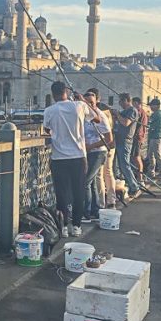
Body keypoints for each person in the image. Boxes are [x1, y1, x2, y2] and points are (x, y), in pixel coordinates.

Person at [41, 82, 89, 236]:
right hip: (78, 156)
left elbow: (47, 130)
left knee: (61, 193)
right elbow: (96, 119)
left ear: (53, 94)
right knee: (78, 192)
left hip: (59, 157)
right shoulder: (79, 106)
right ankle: (76, 226)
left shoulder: (49, 110)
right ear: (66, 92)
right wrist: (82, 100)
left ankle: (64, 227)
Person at [80, 90, 112, 222]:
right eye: (87, 103)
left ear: (96, 102)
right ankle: (95, 210)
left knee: (85, 182)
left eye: (92, 103)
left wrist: (90, 146)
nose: (90, 106)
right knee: (92, 183)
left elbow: (109, 139)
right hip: (89, 153)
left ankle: (86, 213)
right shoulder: (85, 116)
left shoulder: (100, 116)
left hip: (98, 152)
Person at [113, 93, 140, 198]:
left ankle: (134, 186)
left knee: (125, 165)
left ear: (126, 100)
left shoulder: (132, 110)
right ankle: (128, 183)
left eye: (120, 101)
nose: (119, 104)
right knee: (121, 165)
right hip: (119, 140)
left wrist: (117, 114)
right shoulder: (125, 111)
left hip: (125, 141)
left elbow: (126, 123)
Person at [145, 98, 161, 178]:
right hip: (158, 136)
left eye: (152, 105)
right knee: (151, 154)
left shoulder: (156, 114)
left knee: (157, 154)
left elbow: (148, 124)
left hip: (155, 137)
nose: (150, 107)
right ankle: (151, 171)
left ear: (157, 106)